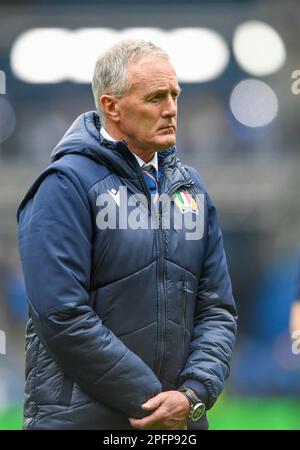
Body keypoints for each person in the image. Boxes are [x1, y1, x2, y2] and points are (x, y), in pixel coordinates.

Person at [18, 39, 237, 430]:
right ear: (111, 106)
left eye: (174, 95)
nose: (171, 109)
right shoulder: (64, 186)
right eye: (155, 97)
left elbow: (217, 309)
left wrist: (192, 395)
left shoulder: (192, 191)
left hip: (177, 421)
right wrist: (153, 403)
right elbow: (62, 314)